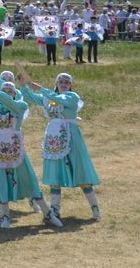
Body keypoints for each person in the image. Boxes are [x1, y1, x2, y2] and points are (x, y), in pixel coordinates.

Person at [0, 64, 54, 230]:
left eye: (10, 90)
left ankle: (47, 213)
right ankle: (5, 216)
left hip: (16, 149)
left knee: (29, 179)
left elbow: (8, 100)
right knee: (1, 182)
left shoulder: (20, 106)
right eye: (5, 90)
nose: (7, 93)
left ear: (15, 94)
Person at [18, 67, 101, 223]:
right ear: (56, 83)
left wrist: (42, 89)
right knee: (55, 172)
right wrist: (23, 86)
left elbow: (62, 100)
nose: (64, 83)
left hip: (71, 136)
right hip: (54, 137)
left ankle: (95, 209)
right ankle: (55, 210)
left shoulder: (72, 96)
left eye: (67, 82)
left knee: (79, 170)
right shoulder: (50, 98)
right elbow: (32, 97)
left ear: (70, 85)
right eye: (61, 81)